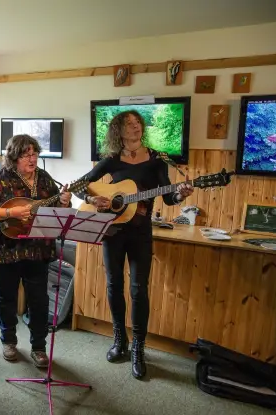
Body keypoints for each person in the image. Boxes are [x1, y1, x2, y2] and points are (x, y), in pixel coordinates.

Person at [77, 110, 193, 379]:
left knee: (139, 290)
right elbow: (81, 184)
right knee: (113, 285)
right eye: (129, 124)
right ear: (119, 130)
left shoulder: (157, 160)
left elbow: (168, 198)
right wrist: (93, 200)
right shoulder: (111, 160)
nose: (135, 127)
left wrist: (180, 194)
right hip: (113, 230)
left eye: (138, 123)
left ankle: (138, 348)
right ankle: (120, 340)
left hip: (141, 232)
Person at [0, 134, 71, 368]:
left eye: (34, 153)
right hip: (7, 248)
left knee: (38, 300)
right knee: (6, 297)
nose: (32, 158)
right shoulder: (2, 179)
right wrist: (10, 214)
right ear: (14, 157)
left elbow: (57, 210)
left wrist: (65, 202)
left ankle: (39, 347)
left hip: (38, 249)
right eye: (26, 154)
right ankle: (8, 341)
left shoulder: (45, 179)